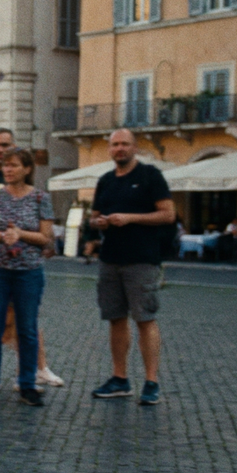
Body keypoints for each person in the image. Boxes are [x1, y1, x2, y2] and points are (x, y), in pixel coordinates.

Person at [90, 128, 174, 406]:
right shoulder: (105, 180)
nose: (120, 149)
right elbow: (94, 216)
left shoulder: (151, 176)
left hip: (142, 259)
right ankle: (120, 378)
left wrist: (130, 218)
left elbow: (167, 214)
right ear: (109, 149)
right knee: (115, 319)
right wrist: (99, 223)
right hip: (110, 259)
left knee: (145, 319)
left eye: (125, 144)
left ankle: (151, 382)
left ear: (135, 147)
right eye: (115, 145)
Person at [0, 149, 55, 407]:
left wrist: (20, 234)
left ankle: (27, 385)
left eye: (14, 166)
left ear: (27, 169)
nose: (8, 170)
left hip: (28, 271)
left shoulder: (41, 198)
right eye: (5, 166)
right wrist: (1, 236)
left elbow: (45, 238)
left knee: (27, 329)